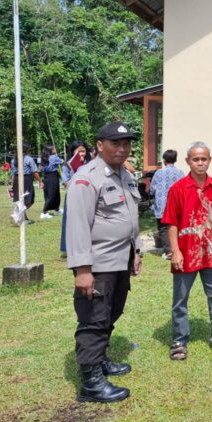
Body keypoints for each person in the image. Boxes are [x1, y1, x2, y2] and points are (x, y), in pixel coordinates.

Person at [65, 122, 142, 402]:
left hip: (120, 261)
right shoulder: (87, 178)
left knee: (111, 314)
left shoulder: (124, 175)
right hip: (98, 265)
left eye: (126, 144)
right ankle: (91, 384)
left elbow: (130, 218)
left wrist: (137, 252)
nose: (122, 149)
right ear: (99, 145)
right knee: (93, 321)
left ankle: (100, 360)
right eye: (115, 143)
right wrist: (82, 270)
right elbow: (76, 226)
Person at [162, 141, 212, 360]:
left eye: (204, 159)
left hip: (211, 252)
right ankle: (179, 340)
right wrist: (175, 251)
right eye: (196, 159)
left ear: (209, 160)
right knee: (180, 299)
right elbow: (171, 222)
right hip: (186, 252)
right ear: (188, 162)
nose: (200, 163)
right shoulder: (178, 189)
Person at [150, 149, 185, 259]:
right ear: (175, 160)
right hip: (177, 205)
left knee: (163, 228)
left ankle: (169, 252)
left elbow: (152, 189)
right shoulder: (180, 173)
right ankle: (177, 249)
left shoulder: (159, 173)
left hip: (162, 206)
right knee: (176, 227)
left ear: (164, 160)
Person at [59, 141, 90, 258]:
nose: (81, 154)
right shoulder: (68, 165)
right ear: (73, 151)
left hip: (88, 196)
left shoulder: (90, 164)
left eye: (83, 151)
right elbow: (66, 184)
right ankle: (66, 248)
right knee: (69, 222)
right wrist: (77, 173)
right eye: (79, 151)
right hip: (73, 196)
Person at [10, 142, 42, 224]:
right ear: (26, 149)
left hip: (17, 179)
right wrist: (40, 181)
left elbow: (13, 174)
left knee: (20, 199)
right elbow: (34, 172)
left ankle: (25, 219)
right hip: (26, 179)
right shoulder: (29, 159)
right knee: (30, 200)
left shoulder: (13, 160)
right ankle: (18, 213)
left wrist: (12, 184)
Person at [39, 144, 64, 219]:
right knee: (51, 195)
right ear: (50, 150)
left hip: (46, 176)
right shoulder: (54, 157)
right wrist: (58, 158)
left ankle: (56, 209)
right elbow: (62, 161)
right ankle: (44, 212)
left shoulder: (44, 158)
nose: (55, 149)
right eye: (54, 149)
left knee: (55, 193)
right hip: (53, 176)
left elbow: (40, 169)